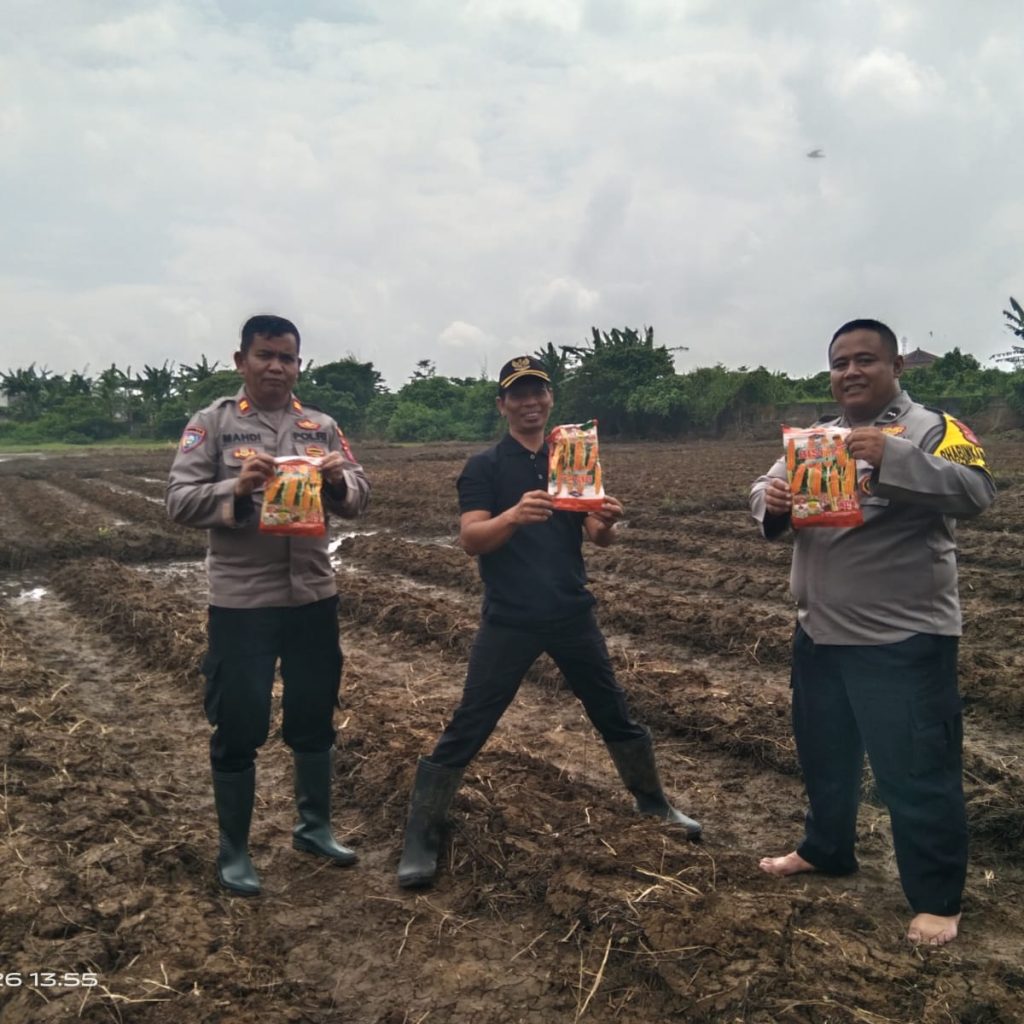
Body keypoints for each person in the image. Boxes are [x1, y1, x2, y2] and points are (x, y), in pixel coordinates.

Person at [397, 355, 702, 890]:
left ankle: (653, 804)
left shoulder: (574, 459)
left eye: (538, 392)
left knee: (614, 712)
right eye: (518, 394)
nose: (529, 402)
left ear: (551, 399)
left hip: (570, 612)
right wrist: (513, 516)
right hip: (509, 619)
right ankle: (421, 831)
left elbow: (595, 536)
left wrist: (607, 522)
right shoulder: (485, 467)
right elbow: (471, 539)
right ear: (503, 405)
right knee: (470, 723)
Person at [750, 318, 995, 946]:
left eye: (865, 359)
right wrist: (771, 500)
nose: (851, 372)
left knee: (915, 770)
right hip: (821, 634)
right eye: (840, 363)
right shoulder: (817, 438)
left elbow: (977, 490)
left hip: (902, 640)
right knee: (825, 756)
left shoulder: (934, 429)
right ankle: (826, 849)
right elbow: (762, 486)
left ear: (896, 368)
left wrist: (897, 459)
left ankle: (938, 898)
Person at [167, 314, 371, 896]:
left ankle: (314, 827)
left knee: (313, 715)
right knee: (240, 720)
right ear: (241, 361)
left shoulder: (321, 425)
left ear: (298, 364)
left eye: (287, 357)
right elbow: (178, 500)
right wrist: (234, 487)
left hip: (312, 596)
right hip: (242, 602)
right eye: (265, 356)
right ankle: (234, 850)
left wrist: (337, 483)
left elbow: (360, 493)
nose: (276, 366)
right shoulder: (213, 424)